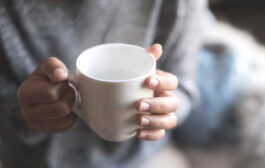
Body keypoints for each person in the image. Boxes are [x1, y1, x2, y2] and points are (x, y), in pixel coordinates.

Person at [0, 0, 205, 167]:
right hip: (35, 160)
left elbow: (185, 87)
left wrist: (166, 107)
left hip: (139, 157)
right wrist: (22, 113)